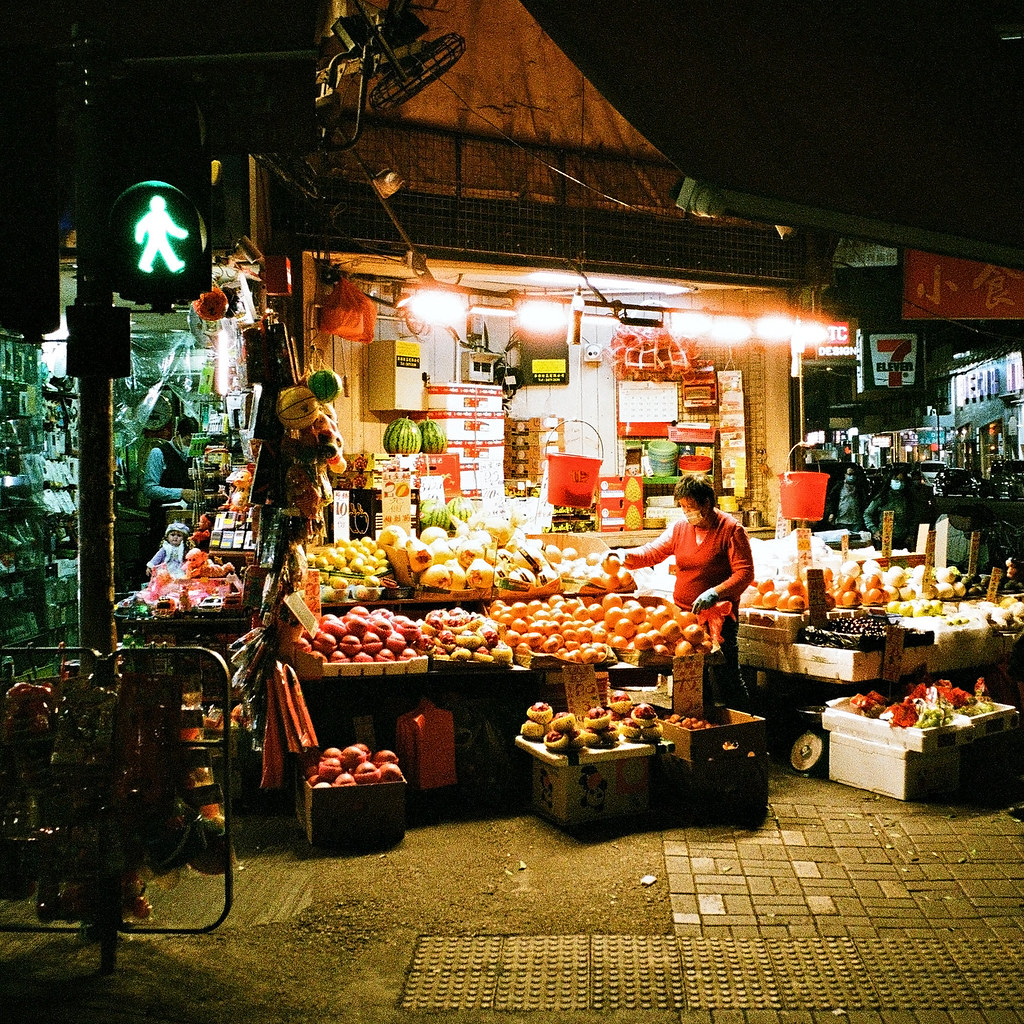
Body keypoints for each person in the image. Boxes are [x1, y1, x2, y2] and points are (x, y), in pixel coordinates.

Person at [622, 475, 755, 710]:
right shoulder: (680, 529)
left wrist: (715, 593)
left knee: (727, 677)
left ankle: (744, 726)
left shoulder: (731, 530)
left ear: (706, 503)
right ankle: (700, 727)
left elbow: (744, 574)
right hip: (684, 618)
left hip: (719, 619)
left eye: (690, 507)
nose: (686, 512)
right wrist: (625, 557)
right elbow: (653, 552)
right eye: (682, 507)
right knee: (693, 680)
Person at [142, 415, 199, 554]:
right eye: (187, 441)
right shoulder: (159, 453)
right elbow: (149, 489)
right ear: (177, 435)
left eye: (193, 442)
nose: (189, 446)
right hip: (163, 521)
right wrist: (180, 493)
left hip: (188, 521)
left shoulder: (195, 455)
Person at [863, 466, 920, 550]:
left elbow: (914, 517)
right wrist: (874, 530)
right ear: (890, 481)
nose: (899, 482)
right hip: (883, 539)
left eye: (901, 480)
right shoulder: (882, 497)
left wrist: (910, 534)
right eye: (896, 479)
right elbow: (867, 514)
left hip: (902, 540)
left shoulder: (909, 499)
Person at [825, 464, 869, 533]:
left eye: (854, 474)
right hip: (841, 520)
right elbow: (832, 500)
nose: (852, 477)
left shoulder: (860, 487)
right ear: (845, 475)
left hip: (856, 521)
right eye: (849, 474)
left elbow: (864, 502)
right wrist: (832, 513)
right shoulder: (839, 486)